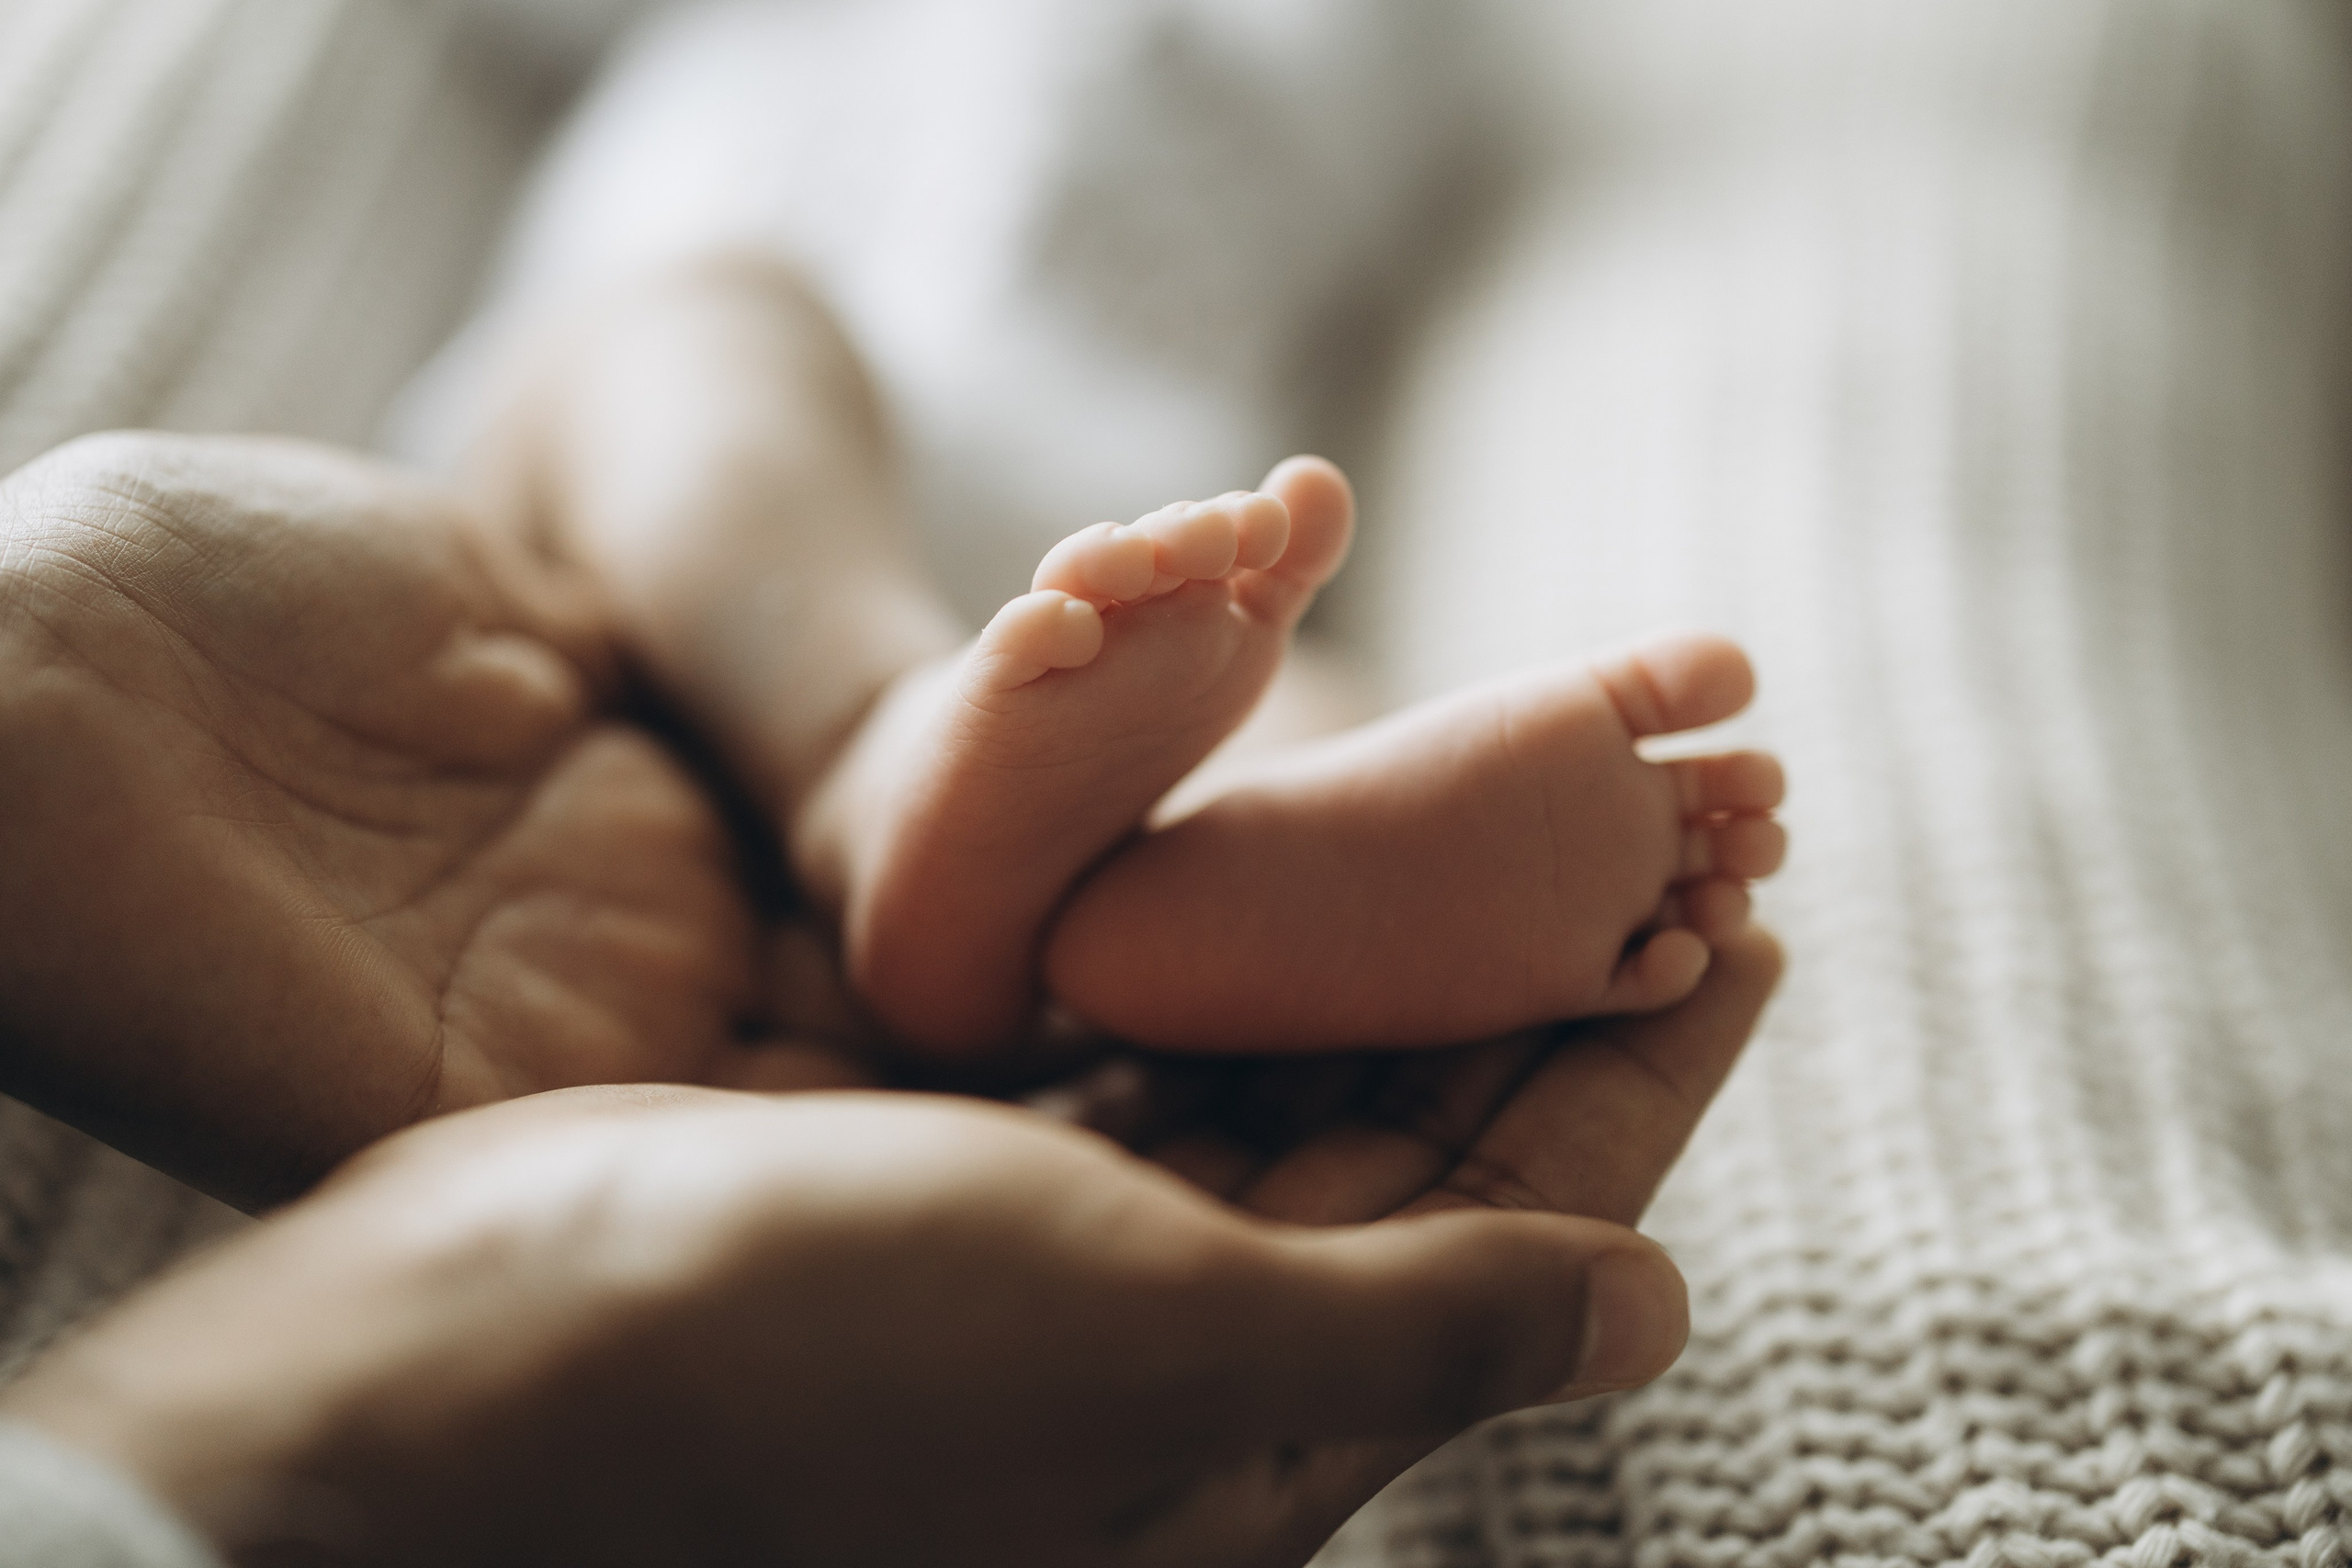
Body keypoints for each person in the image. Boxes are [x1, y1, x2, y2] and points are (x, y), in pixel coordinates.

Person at [0, 428, 1782, 1564]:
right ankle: (1011, 814)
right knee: (692, 318)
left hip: (662, 672)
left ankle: (1074, 835)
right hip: (841, 596)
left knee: (673, 333)